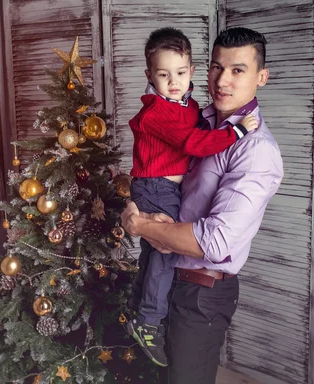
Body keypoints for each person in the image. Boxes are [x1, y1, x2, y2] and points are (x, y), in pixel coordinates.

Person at [121, 27, 284, 384]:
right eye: (216, 67)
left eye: (238, 70)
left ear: (262, 77)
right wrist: (135, 205)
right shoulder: (194, 118)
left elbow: (214, 242)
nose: (222, 80)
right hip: (165, 281)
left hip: (201, 293)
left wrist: (142, 226)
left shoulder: (256, 151)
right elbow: (158, 173)